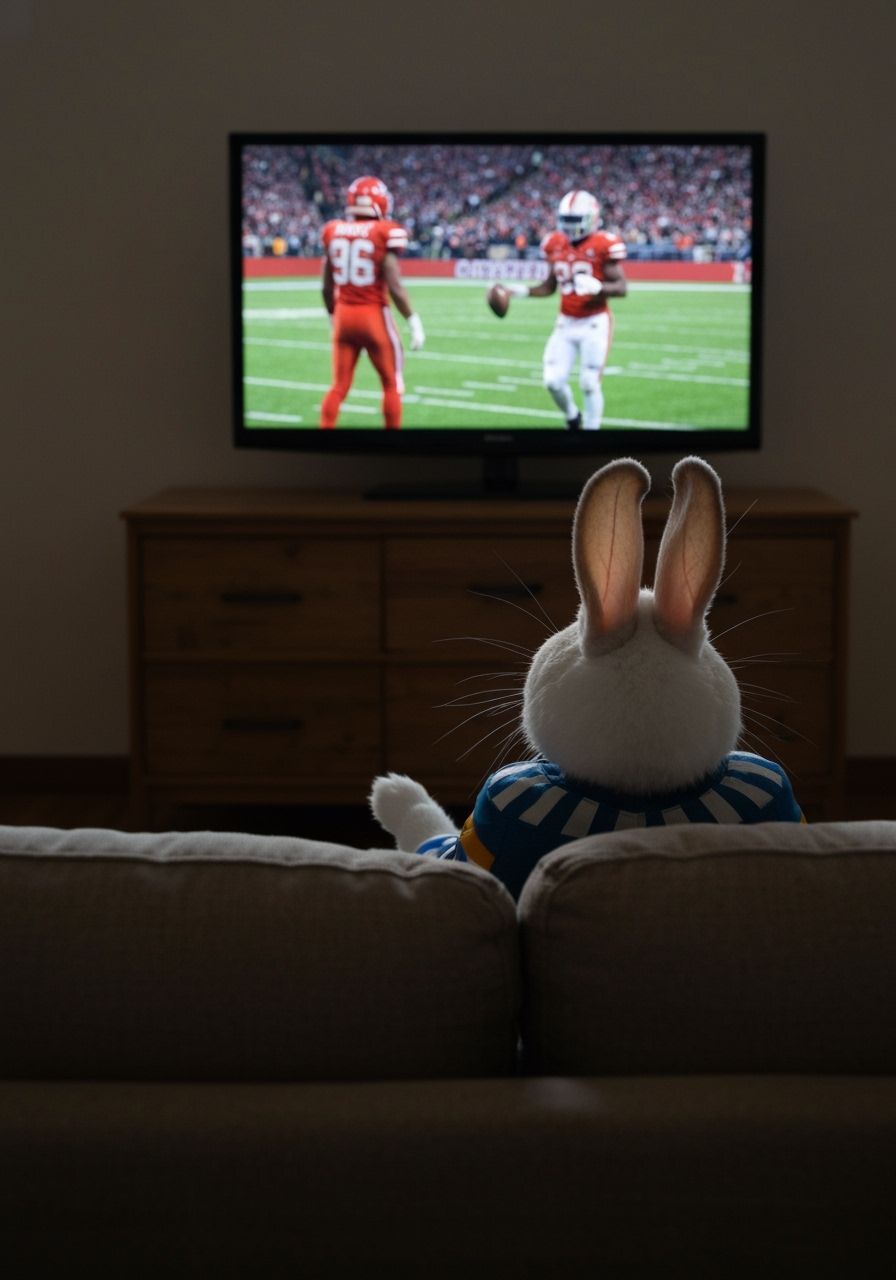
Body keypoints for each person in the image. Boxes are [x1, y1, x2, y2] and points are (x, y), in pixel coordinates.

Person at [503, 190, 627, 430]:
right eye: (566, 220)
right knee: (552, 381)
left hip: (594, 322)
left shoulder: (602, 244)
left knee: (589, 383)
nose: (570, 226)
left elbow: (622, 287)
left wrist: (599, 288)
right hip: (566, 322)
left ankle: (591, 431)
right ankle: (572, 417)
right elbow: (548, 287)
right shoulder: (554, 244)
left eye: (575, 220)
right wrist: (517, 291)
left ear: (591, 218)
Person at [319, 175, 424, 430]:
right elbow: (394, 286)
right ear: (378, 201)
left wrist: (333, 316)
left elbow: (326, 287)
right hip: (373, 316)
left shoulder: (334, 230)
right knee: (391, 384)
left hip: (343, 315)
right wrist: (413, 320)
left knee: (339, 387)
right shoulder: (383, 231)